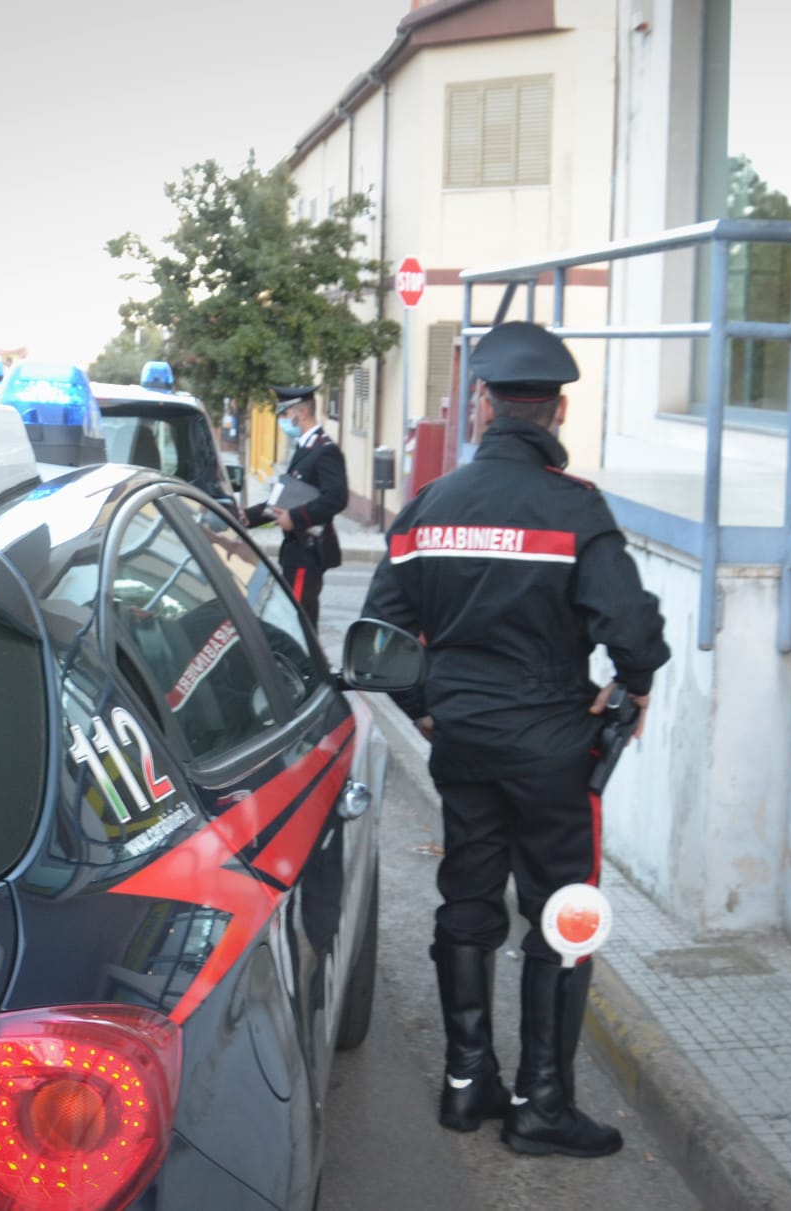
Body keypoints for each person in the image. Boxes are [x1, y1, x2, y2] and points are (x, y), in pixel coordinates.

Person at [360, 322, 670, 1158]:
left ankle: (466, 1088)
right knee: (561, 914)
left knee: (466, 901)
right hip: (552, 748)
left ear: (483, 404)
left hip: (459, 739)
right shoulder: (575, 507)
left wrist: (427, 706)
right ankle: (543, 1104)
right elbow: (630, 626)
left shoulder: (429, 505)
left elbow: (380, 630)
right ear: (557, 411)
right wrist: (632, 685)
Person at [244, 386, 346, 625]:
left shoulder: (325, 451)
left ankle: (304, 663)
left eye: (283, 413)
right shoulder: (306, 449)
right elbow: (282, 501)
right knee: (298, 622)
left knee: (295, 622)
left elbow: (336, 498)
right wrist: (244, 518)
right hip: (295, 553)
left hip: (307, 553)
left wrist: (296, 518)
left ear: (299, 412)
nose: (282, 420)